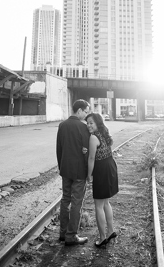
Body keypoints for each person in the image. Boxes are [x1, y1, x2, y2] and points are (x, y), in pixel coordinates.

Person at [56, 99, 91, 246]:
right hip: (78, 171)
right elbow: (87, 151)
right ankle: (71, 236)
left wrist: (60, 166)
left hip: (65, 169)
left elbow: (59, 148)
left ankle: (63, 233)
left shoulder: (62, 125)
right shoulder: (83, 128)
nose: (87, 115)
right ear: (79, 111)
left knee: (65, 199)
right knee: (76, 201)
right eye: (86, 111)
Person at [85, 113, 119, 248]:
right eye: (87, 123)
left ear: (97, 123)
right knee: (106, 203)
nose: (88, 125)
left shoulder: (93, 137)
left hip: (101, 170)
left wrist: (89, 175)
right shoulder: (104, 133)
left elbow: (92, 158)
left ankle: (102, 237)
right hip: (110, 166)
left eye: (91, 123)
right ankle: (110, 231)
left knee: (98, 205)